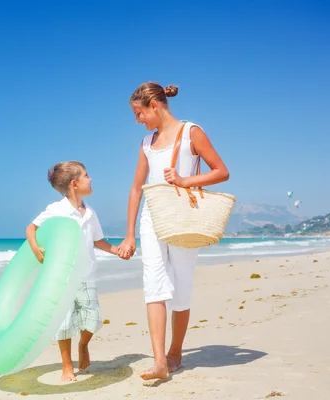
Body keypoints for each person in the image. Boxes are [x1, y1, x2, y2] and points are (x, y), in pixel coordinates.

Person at [117, 82, 230, 380]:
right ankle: (159, 362)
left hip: (184, 218)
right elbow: (135, 189)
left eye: (139, 113)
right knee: (153, 285)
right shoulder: (145, 144)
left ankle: (175, 352)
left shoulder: (191, 132)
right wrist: (130, 234)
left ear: (154, 106)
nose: (137, 120)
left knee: (181, 289)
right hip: (152, 219)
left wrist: (184, 181)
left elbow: (221, 171)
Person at [26, 161, 127, 382]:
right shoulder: (56, 210)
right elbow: (31, 227)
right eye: (87, 175)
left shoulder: (90, 212)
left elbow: (98, 241)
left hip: (86, 275)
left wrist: (117, 251)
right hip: (63, 277)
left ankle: (83, 345)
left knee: (93, 320)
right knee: (64, 324)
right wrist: (35, 247)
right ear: (75, 183)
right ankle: (66, 366)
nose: (91, 179)